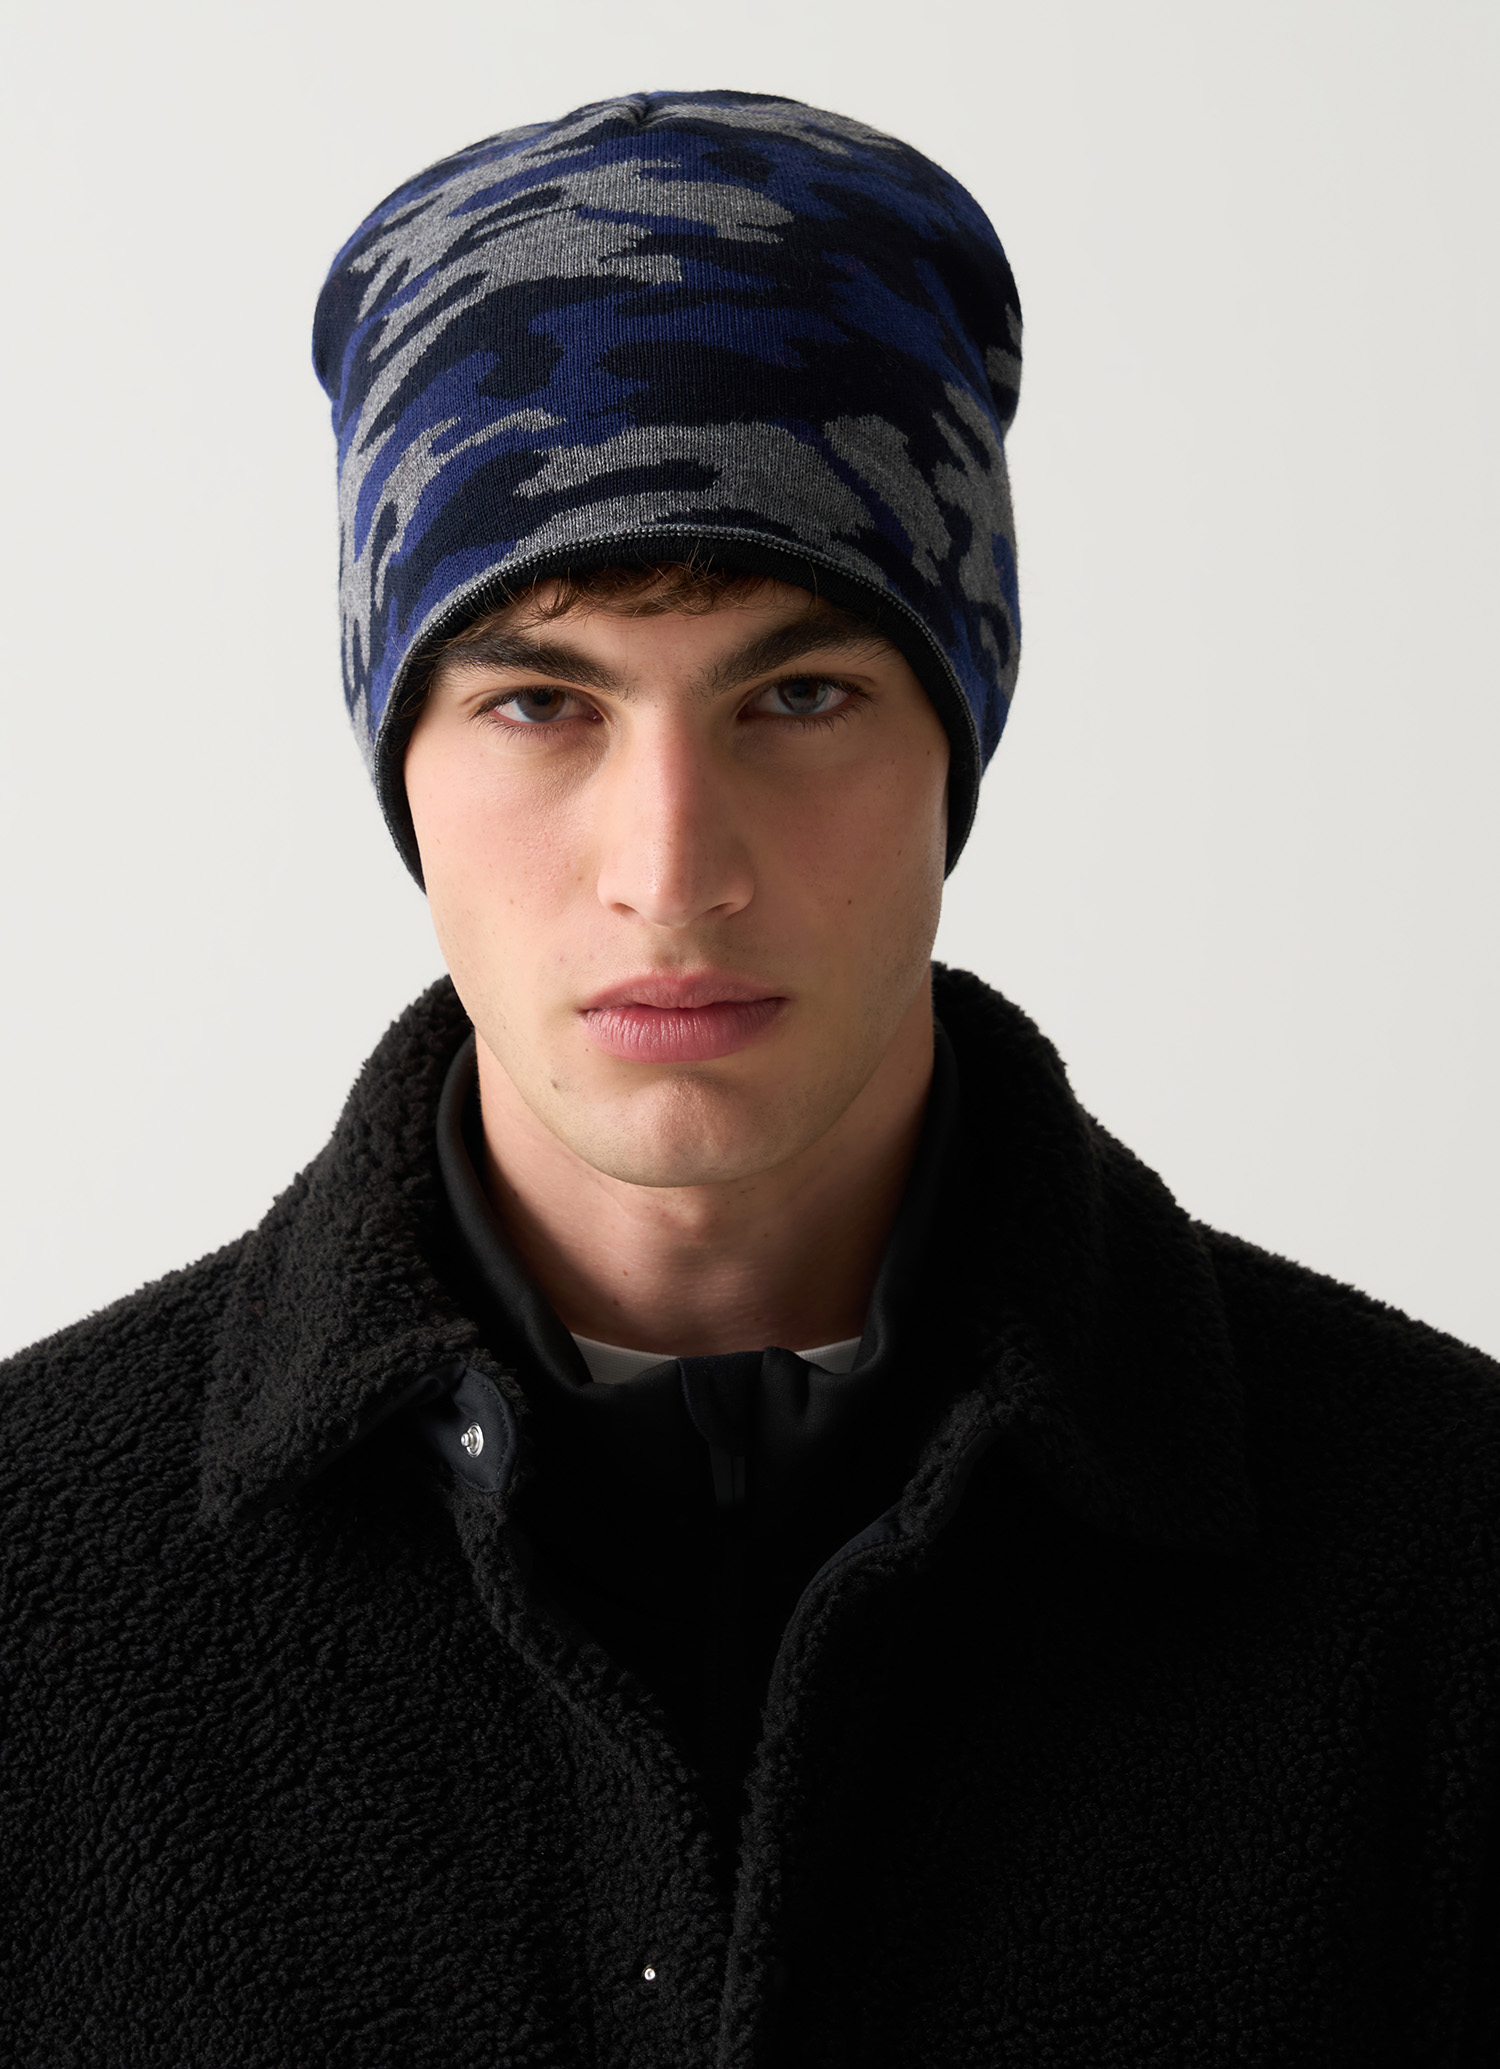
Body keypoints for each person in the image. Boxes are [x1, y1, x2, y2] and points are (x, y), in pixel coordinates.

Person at [1, 88, 1496, 2069]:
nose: (672, 864)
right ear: (401, 763)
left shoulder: (1444, 1557)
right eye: (541, 699)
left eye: (800, 694)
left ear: (956, 741)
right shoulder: (35, 1578)